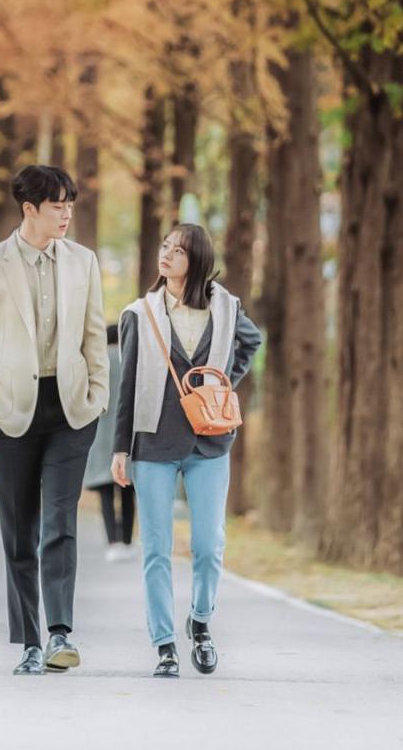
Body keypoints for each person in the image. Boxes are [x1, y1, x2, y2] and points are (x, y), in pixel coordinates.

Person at [0, 164, 109, 675]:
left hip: (71, 410)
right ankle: (27, 639)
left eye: (71, 204)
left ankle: (60, 632)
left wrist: (98, 396)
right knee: (19, 528)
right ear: (30, 210)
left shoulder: (84, 262)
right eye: (57, 205)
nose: (67, 213)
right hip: (9, 413)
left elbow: (94, 335)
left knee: (59, 523)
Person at [112, 223, 262, 679]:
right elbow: (129, 382)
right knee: (156, 547)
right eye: (165, 247)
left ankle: (199, 621)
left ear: (195, 260)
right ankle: (164, 647)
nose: (167, 255)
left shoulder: (226, 306)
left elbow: (251, 342)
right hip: (154, 440)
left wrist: (220, 387)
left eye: (178, 250)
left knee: (208, 544)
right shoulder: (142, 313)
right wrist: (121, 449)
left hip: (211, 440)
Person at [83, 323, 134, 562]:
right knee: (126, 490)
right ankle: (126, 541)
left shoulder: (97, 362)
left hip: (100, 435)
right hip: (126, 435)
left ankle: (111, 541)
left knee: (105, 492)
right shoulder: (129, 361)